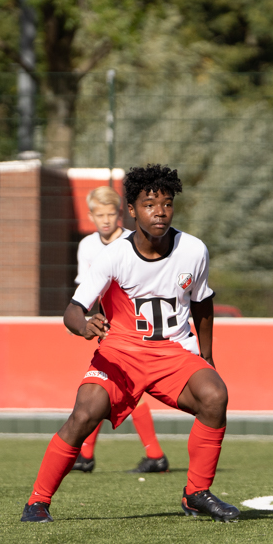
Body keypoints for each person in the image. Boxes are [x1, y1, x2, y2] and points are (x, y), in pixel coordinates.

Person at [21, 164, 239, 523]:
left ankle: (196, 494)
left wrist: (207, 355)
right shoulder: (114, 256)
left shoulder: (194, 250)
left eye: (167, 204)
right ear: (133, 210)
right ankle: (37, 501)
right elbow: (73, 311)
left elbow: (202, 301)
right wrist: (85, 325)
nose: (160, 212)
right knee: (83, 415)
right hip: (121, 353)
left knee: (215, 396)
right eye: (150, 205)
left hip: (174, 353)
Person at [71, 185, 169, 475]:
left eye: (110, 213)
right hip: (104, 324)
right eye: (99, 214)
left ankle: (150, 455)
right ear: (90, 216)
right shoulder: (87, 246)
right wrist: (82, 320)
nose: (105, 220)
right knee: (109, 387)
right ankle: (93, 455)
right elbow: (86, 288)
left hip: (130, 325)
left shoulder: (132, 241)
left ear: (121, 215)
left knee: (119, 388)